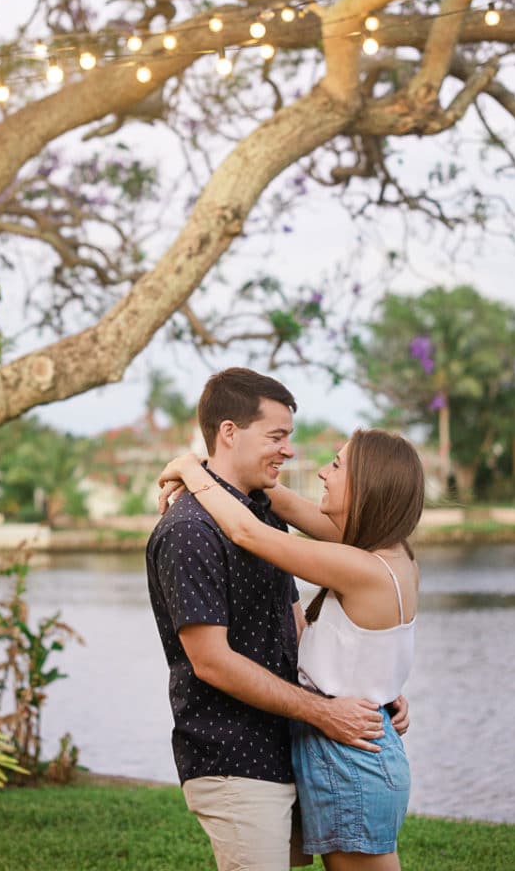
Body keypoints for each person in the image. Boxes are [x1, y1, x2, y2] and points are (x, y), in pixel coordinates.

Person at [146, 368, 409, 871]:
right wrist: (328, 706)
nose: (291, 452)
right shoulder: (190, 530)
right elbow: (213, 664)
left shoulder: (266, 516)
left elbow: (296, 627)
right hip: (235, 753)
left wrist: (366, 682)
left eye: (334, 464)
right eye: (277, 436)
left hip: (294, 743)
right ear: (229, 432)